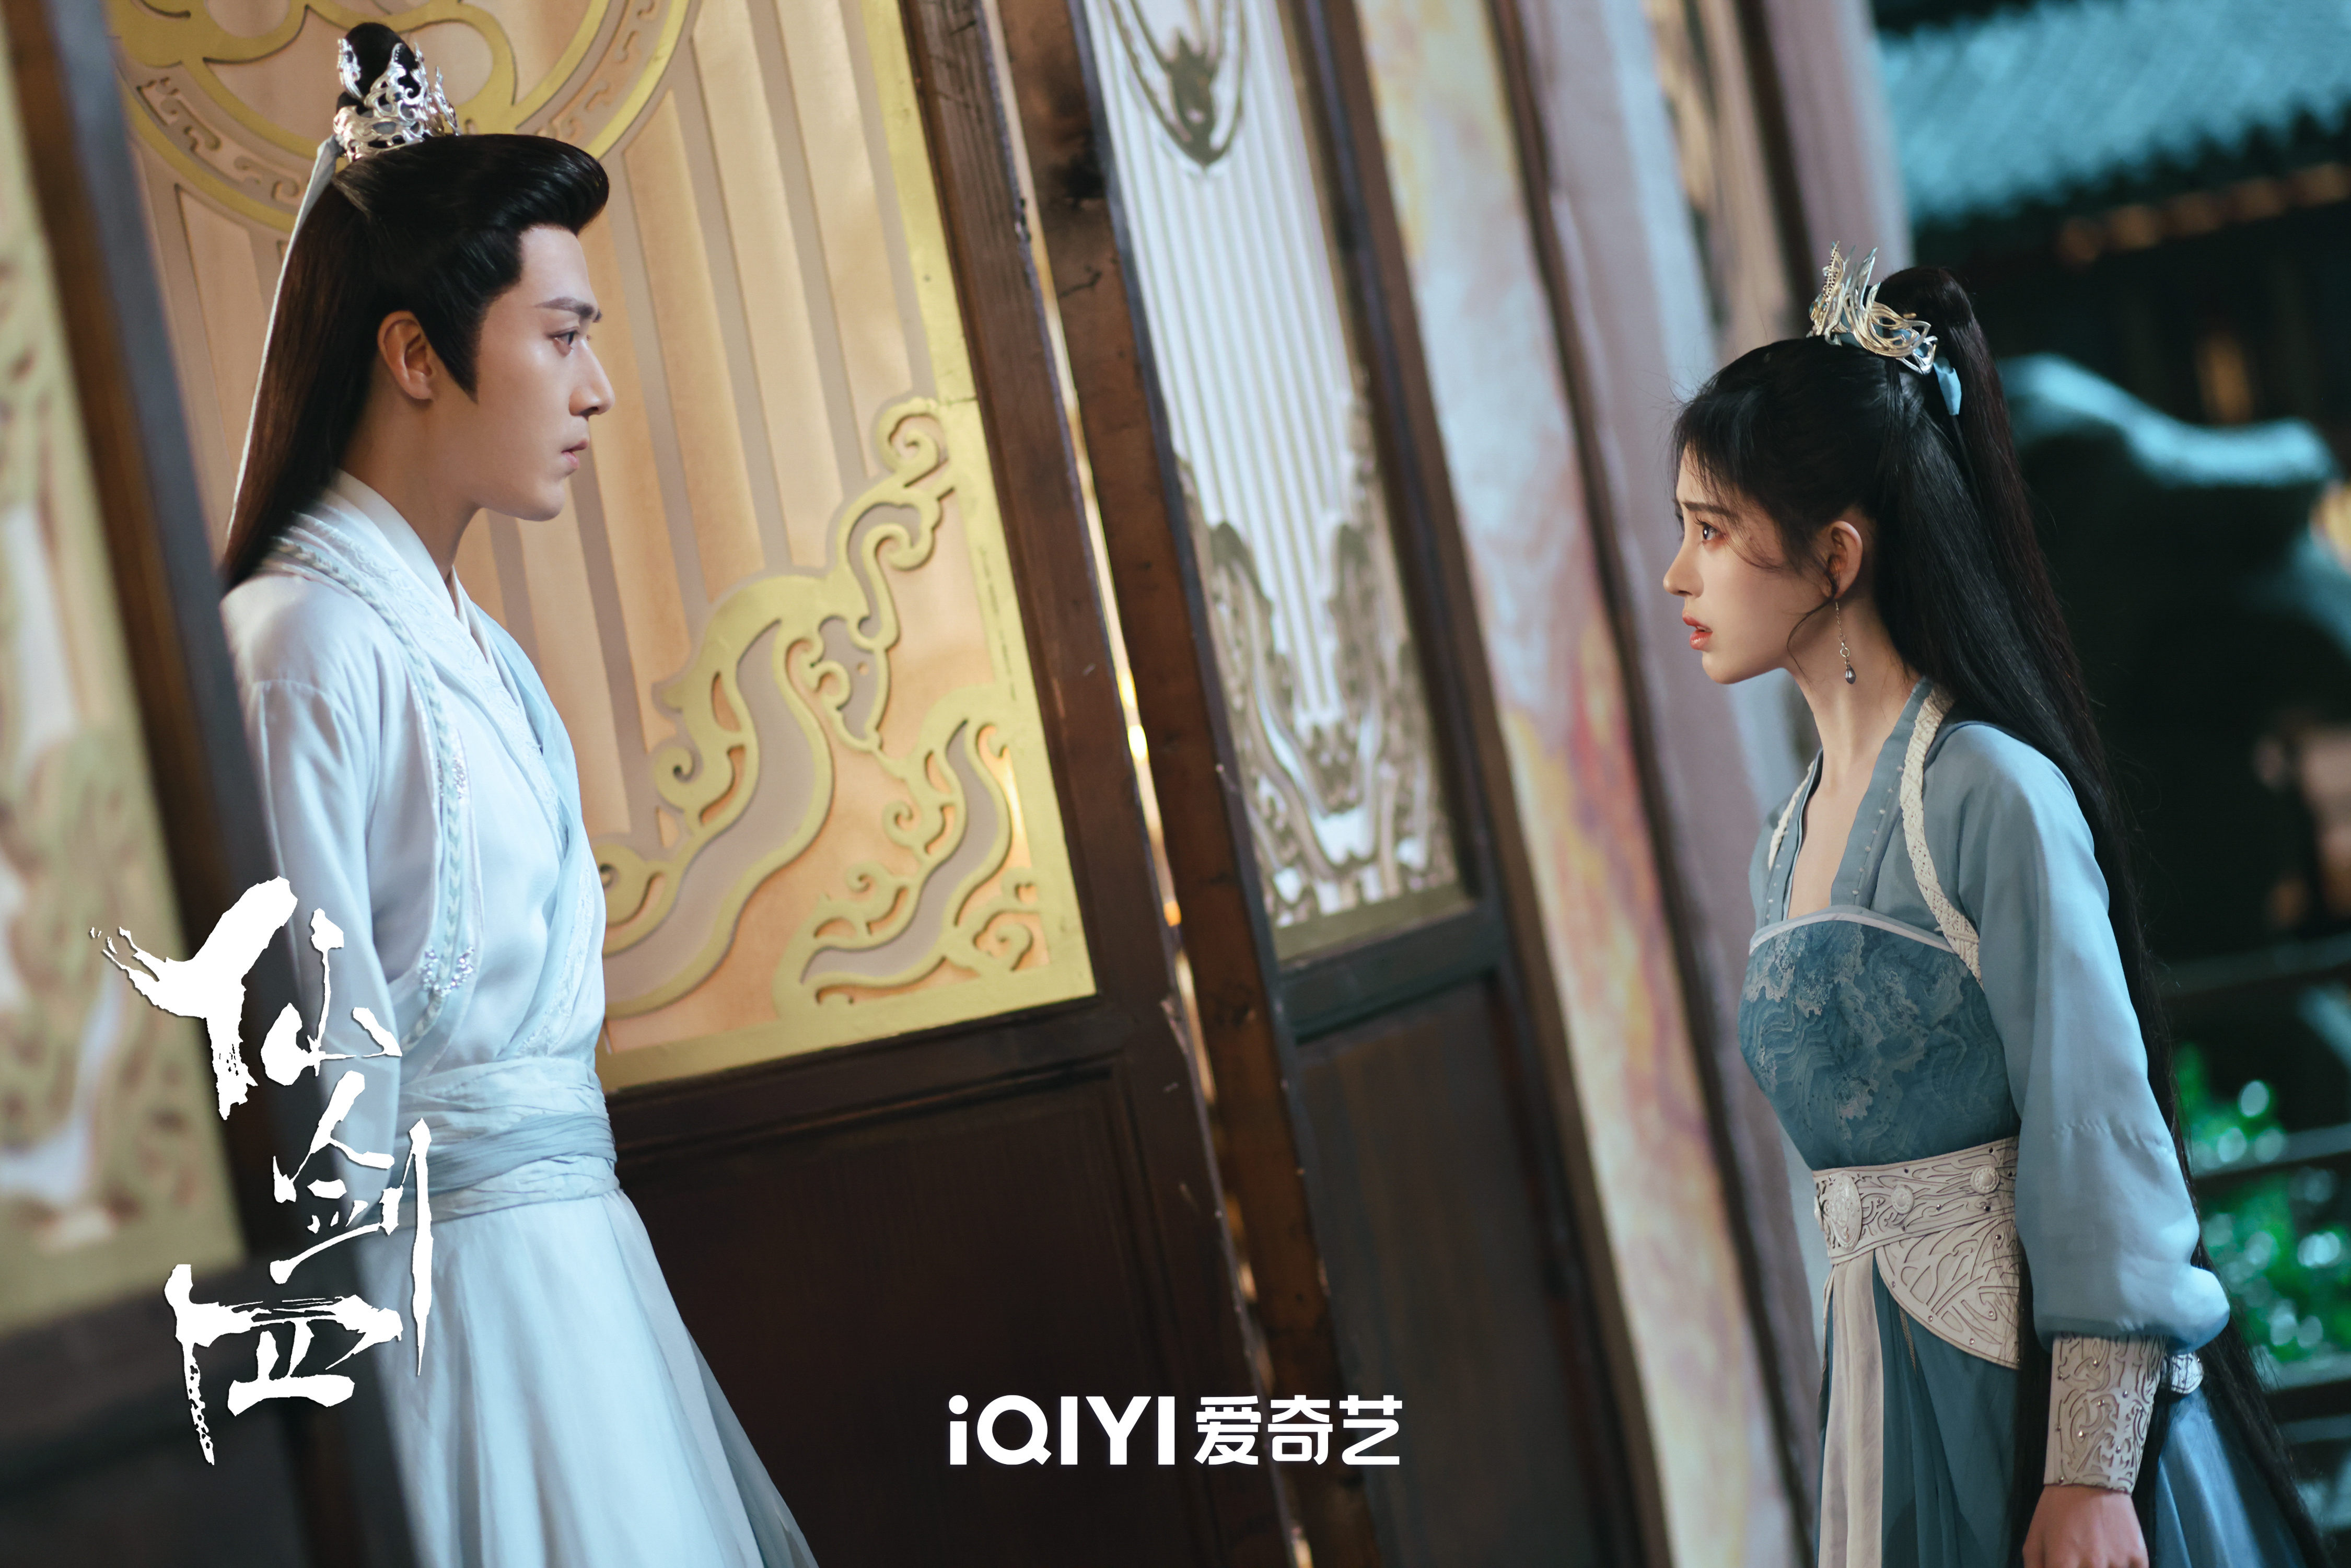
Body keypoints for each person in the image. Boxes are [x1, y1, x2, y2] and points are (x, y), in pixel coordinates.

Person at [219, 24, 818, 1567]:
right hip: (444, 1330)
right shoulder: (300, 646)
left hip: (580, 1293)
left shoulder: (476, 650)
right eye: (561, 337)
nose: (597, 388)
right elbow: (307, 1098)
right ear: (416, 355)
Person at [1664, 247, 2321, 1568]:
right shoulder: (1785, 842)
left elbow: (2100, 1139)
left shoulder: (1991, 793)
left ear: (1836, 555)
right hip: (1884, 1403)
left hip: (2032, 1421)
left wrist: (2089, 1473)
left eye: (1712, 530)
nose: (1680, 574)